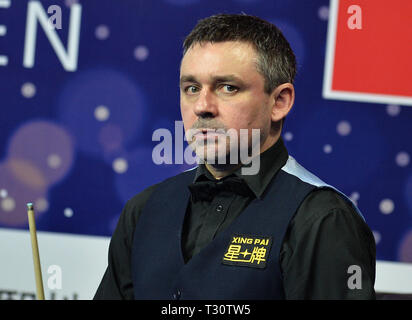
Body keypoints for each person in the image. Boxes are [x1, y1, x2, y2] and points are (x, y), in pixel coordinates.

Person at [94, 13, 376, 300]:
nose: (202, 107)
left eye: (228, 87)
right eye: (191, 88)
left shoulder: (323, 218)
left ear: (279, 102)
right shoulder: (143, 210)